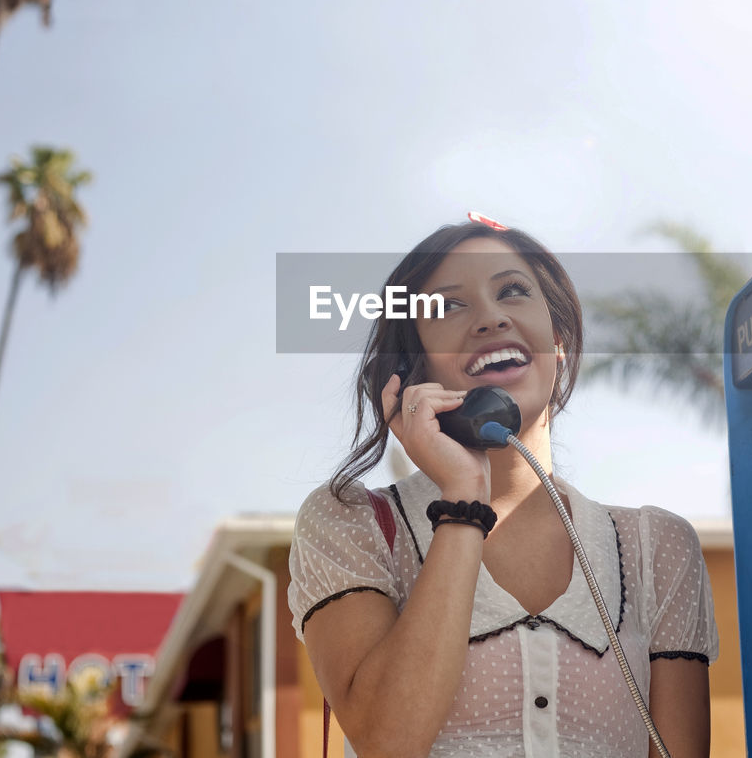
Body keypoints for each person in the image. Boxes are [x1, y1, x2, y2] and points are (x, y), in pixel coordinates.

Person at [288, 220, 718, 758]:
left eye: (512, 290)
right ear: (412, 367)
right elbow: (387, 741)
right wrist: (463, 503)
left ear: (557, 342)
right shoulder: (353, 521)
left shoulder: (657, 548)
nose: (491, 317)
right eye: (448, 307)